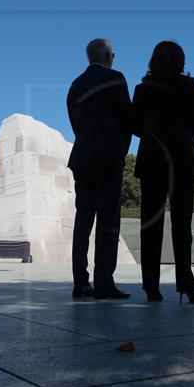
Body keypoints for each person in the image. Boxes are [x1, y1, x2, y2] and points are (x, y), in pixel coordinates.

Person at [130, 41, 194, 304]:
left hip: (152, 159)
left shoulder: (143, 89)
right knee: (182, 224)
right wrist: (185, 139)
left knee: (150, 224)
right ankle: (186, 284)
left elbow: (135, 126)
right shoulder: (190, 85)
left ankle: (151, 287)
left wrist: (154, 136)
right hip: (183, 160)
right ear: (181, 60)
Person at [66, 38, 132, 300]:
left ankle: (81, 283)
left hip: (82, 157)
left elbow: (76, 124)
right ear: (107, 56)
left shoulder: (75, 85)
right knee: (107, 221)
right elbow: (126, 119)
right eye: (113, 54)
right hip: (108, 157)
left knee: (83, 220)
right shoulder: (116, 78)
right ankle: (104, 283)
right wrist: (121, 150)